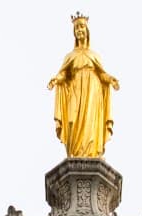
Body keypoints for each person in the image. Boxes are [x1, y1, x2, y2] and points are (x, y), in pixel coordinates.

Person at [48, 16, 119, 158]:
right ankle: (75, 152)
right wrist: (56, 79)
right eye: (76, 28)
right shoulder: (70, 56)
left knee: (90, 121)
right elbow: (64, 74)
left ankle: (91, 152)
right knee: (72, 120)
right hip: (75, 89)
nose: (79, 30)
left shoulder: (94, 55)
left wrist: (110, 79)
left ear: (87, 30)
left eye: (81, 26)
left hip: (92, 90)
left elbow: (101, 74)